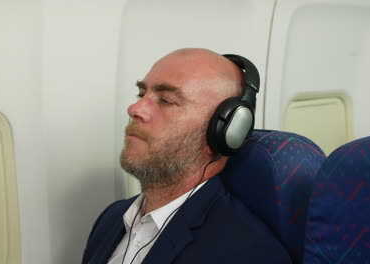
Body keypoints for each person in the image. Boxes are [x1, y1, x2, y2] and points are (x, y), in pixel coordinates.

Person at [82, 48, 292, 264]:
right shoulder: (112, 218)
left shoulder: (249, 254)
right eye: (141, 94)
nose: (135, 108)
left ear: (224, 131)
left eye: (166, 100)